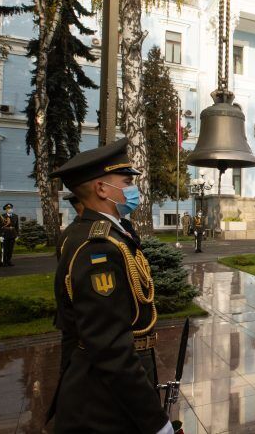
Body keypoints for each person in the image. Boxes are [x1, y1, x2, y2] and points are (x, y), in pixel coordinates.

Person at [46, 138, 171, 433]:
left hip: (100, 384)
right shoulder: (96, 247)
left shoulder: (100, 233)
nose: (133, 189)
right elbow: (109, 346)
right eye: (127, 181)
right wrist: (155, 422)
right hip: (103, 400)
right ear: (102, 189)